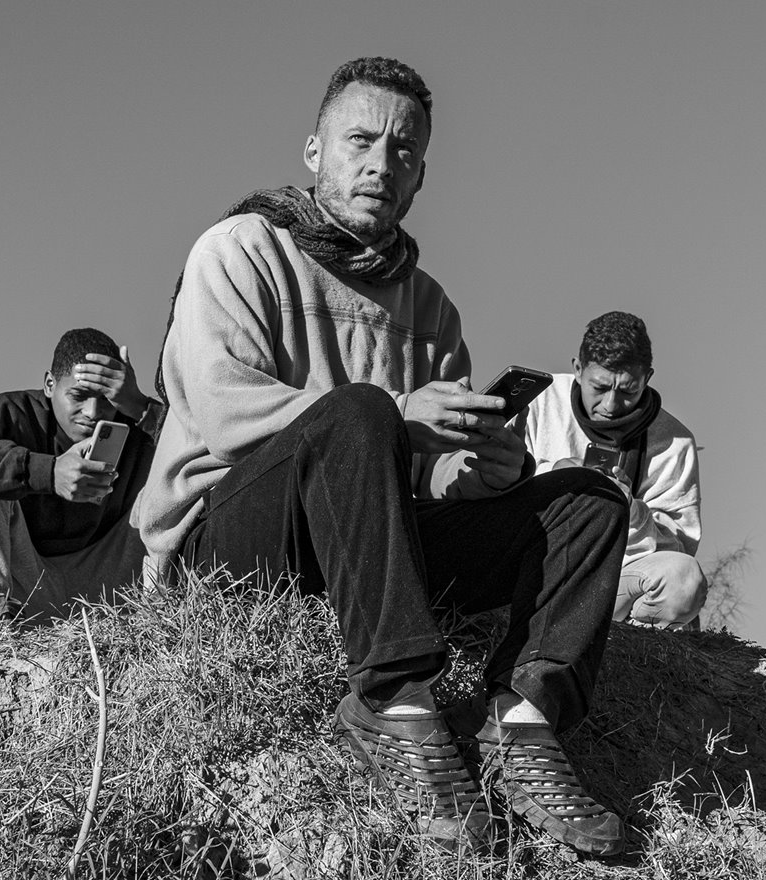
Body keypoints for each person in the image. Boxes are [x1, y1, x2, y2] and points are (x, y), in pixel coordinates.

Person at [135, 57, 628, 857]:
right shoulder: (238, 249)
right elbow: (223, 411)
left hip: (369, 543)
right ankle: (396, 706)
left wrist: (474, 473)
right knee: (359, 410)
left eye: (404, 151)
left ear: (422, 175)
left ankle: (522, 721)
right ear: (314, 150)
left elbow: (419, 475)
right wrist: (398, 414)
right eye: (360, 139)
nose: (380, 163)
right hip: (234, 539)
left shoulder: (430, 305)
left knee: (587, 499)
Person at [0, 328, 162, 625]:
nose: (93, 412)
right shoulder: (16, 415)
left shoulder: (134, 424)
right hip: (23, 592)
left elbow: (207, 448)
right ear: (50, 384)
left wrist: (140, 407)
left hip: (110, 594)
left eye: (106, 399)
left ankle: (166, 616)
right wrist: (47, 472)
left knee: (177, 480)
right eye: (79, 396)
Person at [518, 311, 707, 630]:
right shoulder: (537, 400)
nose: (610, 405)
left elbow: (679, 547)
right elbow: (484, 480)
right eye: (600, 387)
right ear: (577, 369)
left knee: (683, 581)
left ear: (647, 377)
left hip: (610, 584)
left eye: (627, 391)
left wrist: (630, 511)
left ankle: (623, 635)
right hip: (525, 565)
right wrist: (552, 476)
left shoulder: (674, 442)